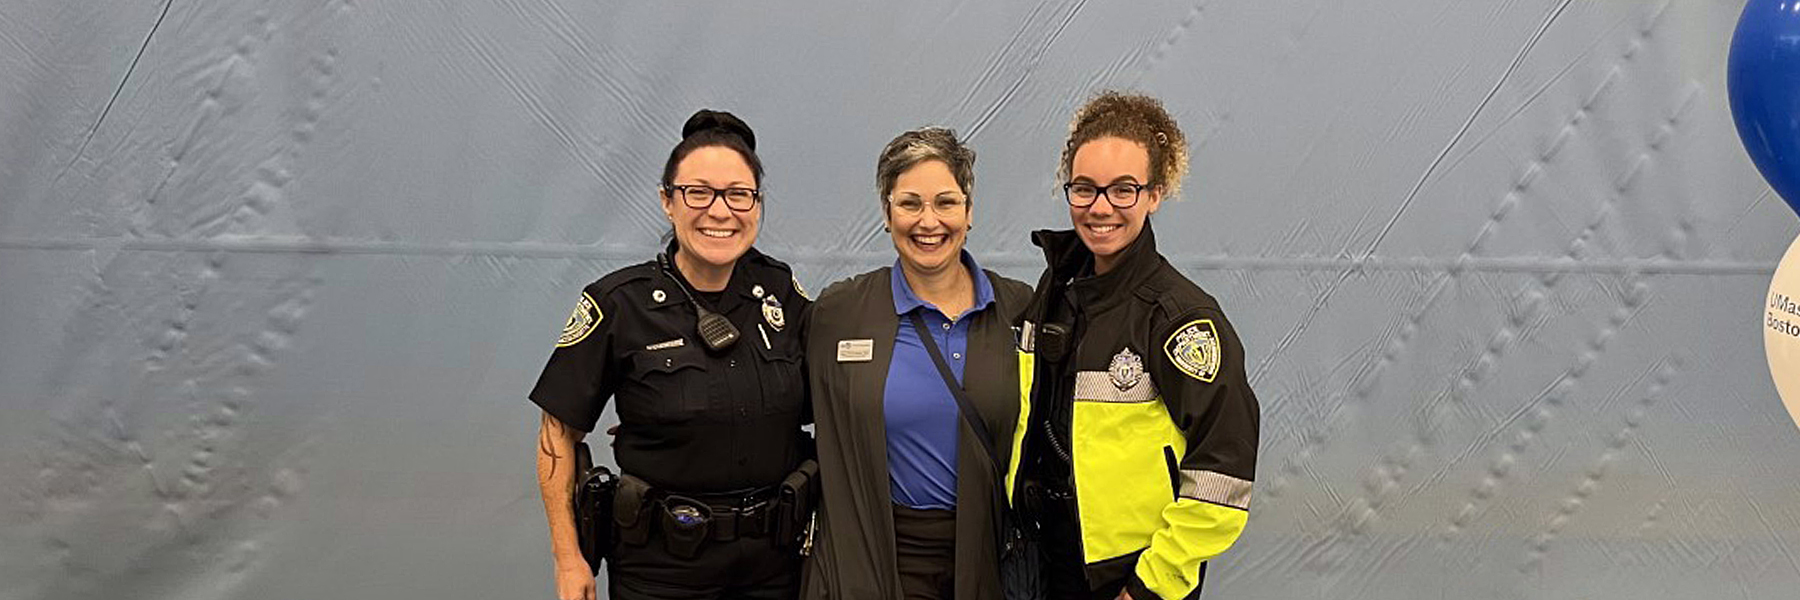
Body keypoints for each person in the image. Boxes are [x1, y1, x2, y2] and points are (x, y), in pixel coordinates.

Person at [531, 109, 812, 600]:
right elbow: (557, 430)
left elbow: (842, 394)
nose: (720, 211)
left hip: (776, 565)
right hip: (662, 569)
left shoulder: (782, 294)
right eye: (698, 192)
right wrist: (567, 557)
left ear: (757, 204)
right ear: (667, 201)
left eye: (738, 194)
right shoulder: (619, 303)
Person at [1008, 92, 1261, 600]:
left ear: (1155, 193)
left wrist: (1150, 586)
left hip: (1128, 581)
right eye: (1084, 189)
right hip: (1043, 564)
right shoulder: (1053, 292)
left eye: (1123, 190)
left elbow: (1223, 474)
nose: (1101, 208)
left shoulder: (1180, 319)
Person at [801, 127, 1033, 600]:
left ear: (970, 211)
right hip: (870, 552)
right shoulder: (839, 312)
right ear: (887, 214)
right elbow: (779, 401)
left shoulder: (1020, 310)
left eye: (946, 202)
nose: (929, 221)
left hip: (988, 553)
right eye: (910, 203)